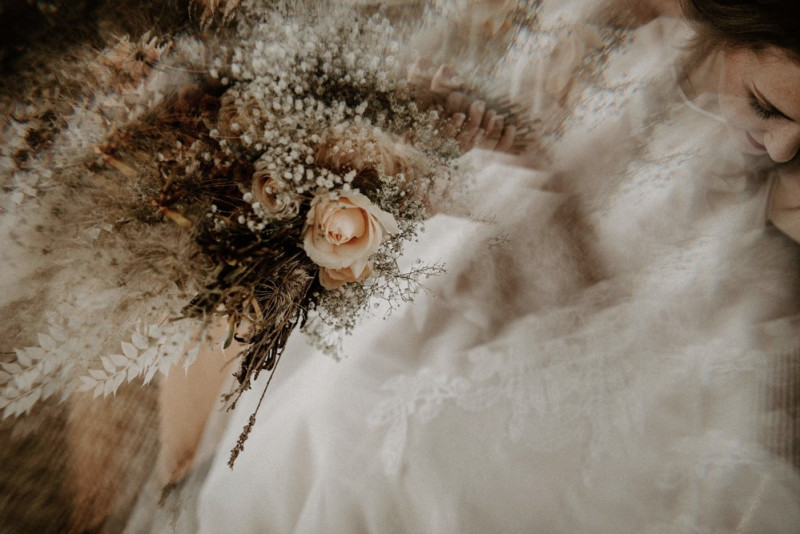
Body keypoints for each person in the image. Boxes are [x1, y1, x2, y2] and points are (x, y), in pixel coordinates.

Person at [176, 1, 800, 532]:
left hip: (603, 351)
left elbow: (602, 308)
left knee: (390, 449)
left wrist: (529, 176)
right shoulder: (646, 42)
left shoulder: (749, 181)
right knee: (335, 403)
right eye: (768, 108)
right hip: (501, 263)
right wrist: (484, 150)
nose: (780, 147)